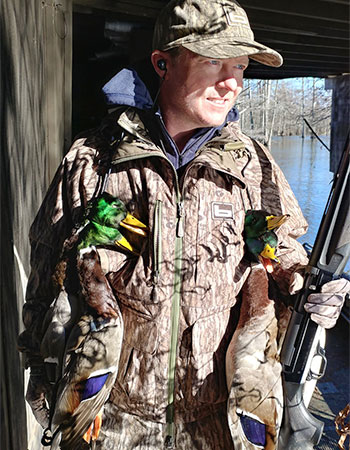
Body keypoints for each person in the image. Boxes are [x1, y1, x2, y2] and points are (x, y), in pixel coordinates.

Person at [18, 0, 349, 449]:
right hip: (111, 427)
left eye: (240, 65)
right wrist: (47, 387)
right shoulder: (93, 163)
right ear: (163, 63)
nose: (231, 82)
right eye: (213, 61)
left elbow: (282, 253)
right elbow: (43, 287)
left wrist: (311, 289)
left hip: (220, 428)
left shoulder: (252, 165)